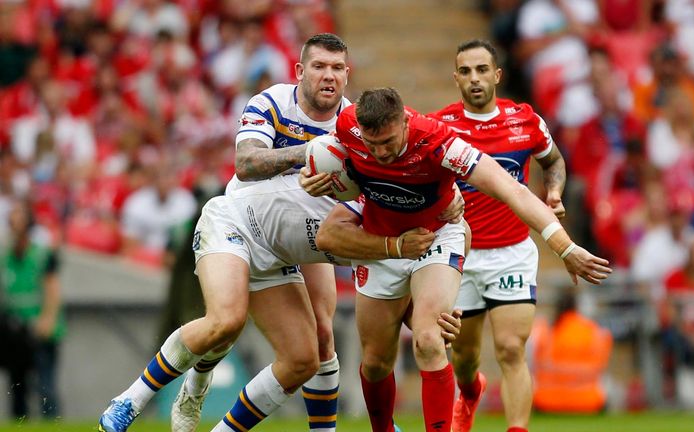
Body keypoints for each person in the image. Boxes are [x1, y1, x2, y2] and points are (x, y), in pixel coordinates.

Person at [98, 33, 463, 432]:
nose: (329, 76)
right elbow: (245, 163)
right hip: (242, 223)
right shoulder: (273, 103)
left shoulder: (360, 129)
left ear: (347, 75)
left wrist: (434, 310)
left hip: (295, 242)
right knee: (227, 321)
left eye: (337, 68)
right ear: (300, 71)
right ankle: (136, 400)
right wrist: (308, 153)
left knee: (314, 347)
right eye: (320, 67)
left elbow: (405, 179)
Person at [302, 87, 611, 432]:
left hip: (436, 235)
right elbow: (324, 157)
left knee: (430, 340)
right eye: (372, 145)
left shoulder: (439, 142)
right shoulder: (348, 124)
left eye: (388, 142)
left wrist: (565, 248)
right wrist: (307, 174)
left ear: (404, 121)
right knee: (375, 362)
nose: (380, 153)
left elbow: (513, 190)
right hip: (383, 239)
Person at [428, 39, 566, 432]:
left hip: (512, 253)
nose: (475, 79)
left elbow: (553, 161)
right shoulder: (440, 127)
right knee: (466, 359)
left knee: (510, 349)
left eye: (482, 70)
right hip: (461, 256)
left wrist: (553, 191)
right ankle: (470, 394)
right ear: (456, 78)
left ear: (497, 74)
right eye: (466, 71)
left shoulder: (524, 120)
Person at [0, 199, 64, 419]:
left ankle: (51, 422)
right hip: (15, 330)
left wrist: (47, 319)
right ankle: (20, 423)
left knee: (45, 384)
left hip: (38, 327)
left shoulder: (42, 254)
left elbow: (52, 288)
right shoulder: (6, 256)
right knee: (17, 384)